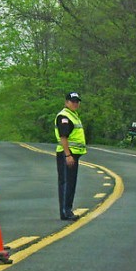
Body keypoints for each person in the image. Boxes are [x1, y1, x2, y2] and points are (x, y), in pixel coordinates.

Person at [55, 92, 86, 221]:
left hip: (73, 153)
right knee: (66, 183)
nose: (75, 104)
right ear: (66, 102)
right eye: (72, 101)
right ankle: (65, 211)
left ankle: (68, 210)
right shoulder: (64, 116)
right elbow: (63, 137)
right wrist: (68, 155)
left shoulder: (74, 116)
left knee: (71, 183)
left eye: (77, 101)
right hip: (67, 153)